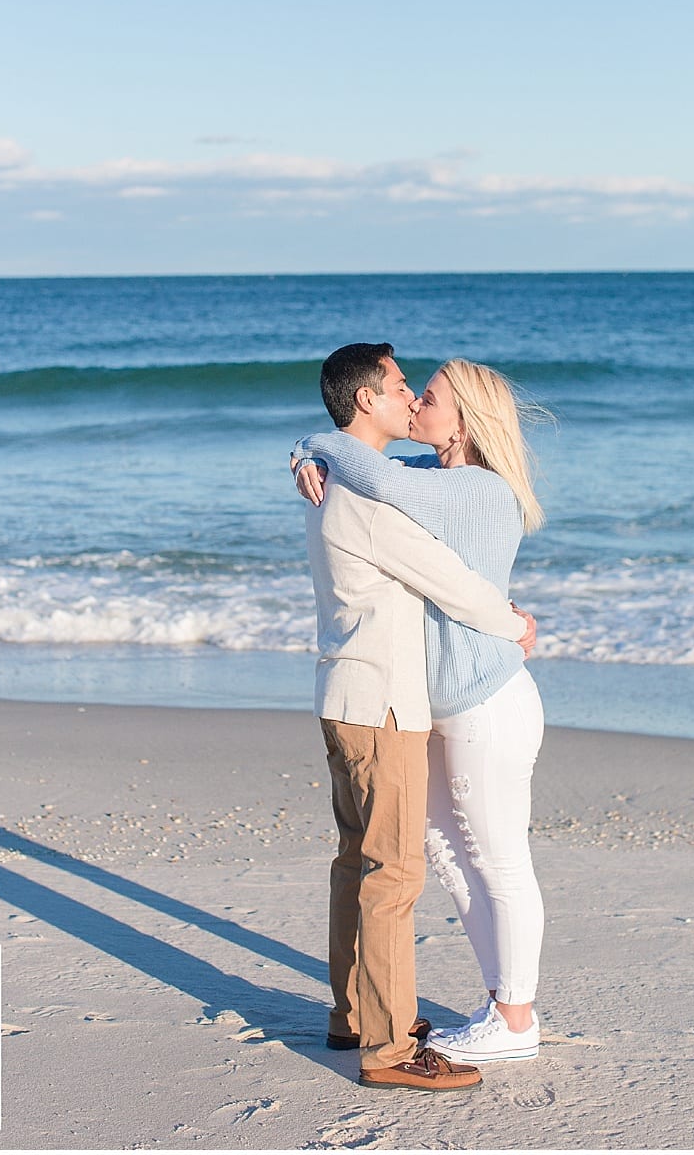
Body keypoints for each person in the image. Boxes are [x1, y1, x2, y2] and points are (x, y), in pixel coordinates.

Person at [291, 357, 549, 1065]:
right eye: (410, 392)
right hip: (439, 705)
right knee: (442, 853)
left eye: (427, 397)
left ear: (462, 421)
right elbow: (370, 462)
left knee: (497, 861)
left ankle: (517, 1017)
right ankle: (501, 1000)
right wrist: (307, 452)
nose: (415, 405)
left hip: (485, 699)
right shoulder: (432, 479)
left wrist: (317, 443)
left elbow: (370, 471)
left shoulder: (472, 491)